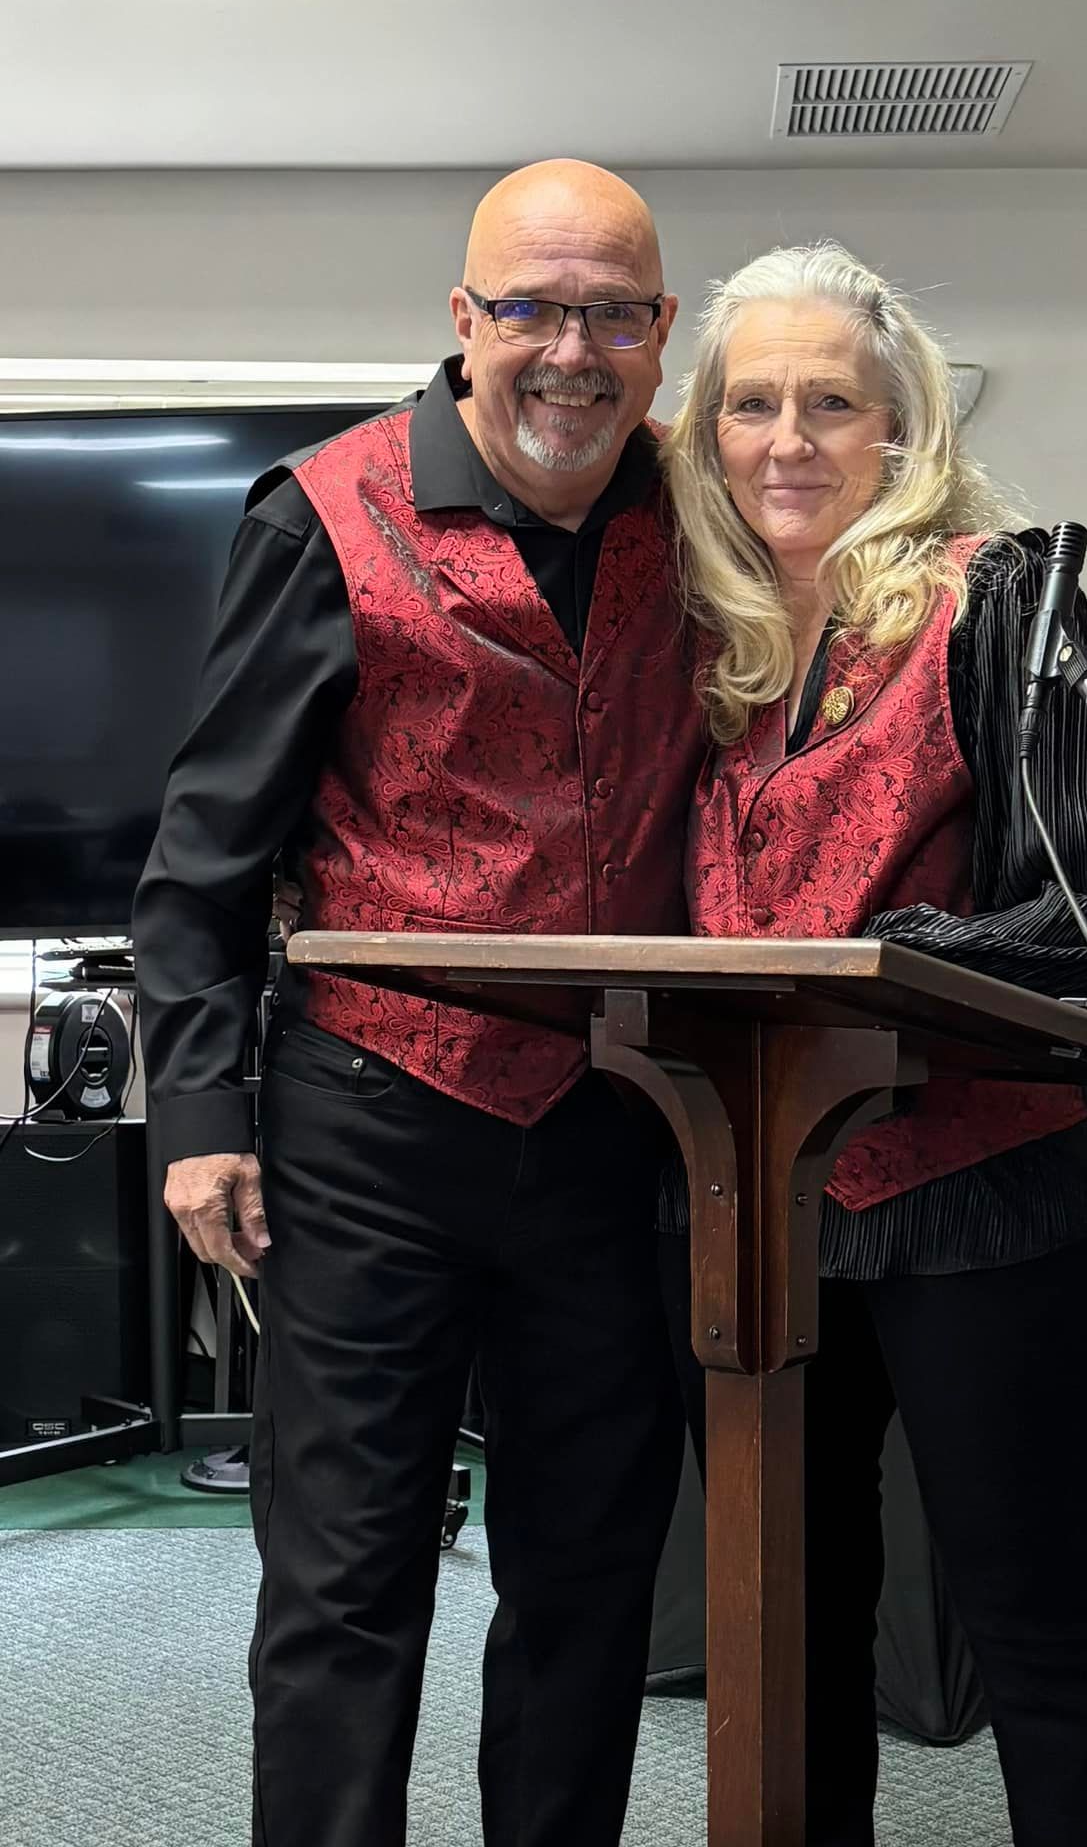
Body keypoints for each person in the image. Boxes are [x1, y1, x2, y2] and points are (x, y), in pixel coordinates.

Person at [133, 161, 706, 1847]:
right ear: (465, 324)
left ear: (660, 336)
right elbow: (203, 853)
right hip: (370, 1124)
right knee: (343, 1582)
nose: (570, 349)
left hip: (618, 1129)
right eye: (530, 306)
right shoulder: (321, 511)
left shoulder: (707, 520)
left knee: (590, 1568)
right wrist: (197, 1117)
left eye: (612, 311)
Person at [658, 241, 1087, 1846]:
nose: (789, 439)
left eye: (833, 402)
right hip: (760, 1216)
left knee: (1038, 1633)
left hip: (990, 1201)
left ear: (901, 426)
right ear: (707, 430)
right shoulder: (689, 634)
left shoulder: (998, 597)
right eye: (752, 403)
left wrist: (895, 967)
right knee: (787, 1634)